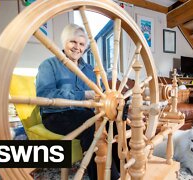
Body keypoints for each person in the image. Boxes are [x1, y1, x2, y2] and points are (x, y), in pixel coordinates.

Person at [36, 24, 119, 180]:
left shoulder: (89, 69)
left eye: (81, 44)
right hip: (56, 116)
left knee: (116, 124)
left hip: (85, 113)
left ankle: (122, 170)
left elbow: (102, 93)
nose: (77, 47)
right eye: (73, 42)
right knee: (93, 128)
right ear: (64, 42)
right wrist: (83, 95)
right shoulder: (49, 65)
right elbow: (44, 96)